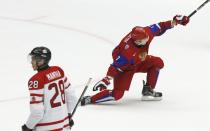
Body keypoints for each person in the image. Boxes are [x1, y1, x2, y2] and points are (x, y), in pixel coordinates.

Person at [81, 15, 190, 105]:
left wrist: (175, 21)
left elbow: (160, 26)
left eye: (147, 37)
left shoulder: (146, 32)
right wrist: (106, 80)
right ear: (137, 42)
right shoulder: (127, 52)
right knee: (117, 95)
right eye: (144, 40)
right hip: (126, 68)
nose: (148, 39)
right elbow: (115, 67)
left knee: (158, 62)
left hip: (138, 60)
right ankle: (91, 99)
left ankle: (148, 90)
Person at [22, 46, 77, 131]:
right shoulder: (59, 71)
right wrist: (68, 114)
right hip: (64, 125)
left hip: (45, 127)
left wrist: (28, 126)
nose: (31, 62)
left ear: (41, 61)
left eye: (34, 59)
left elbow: (37, 112)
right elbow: (72, 97)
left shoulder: (35, 80)